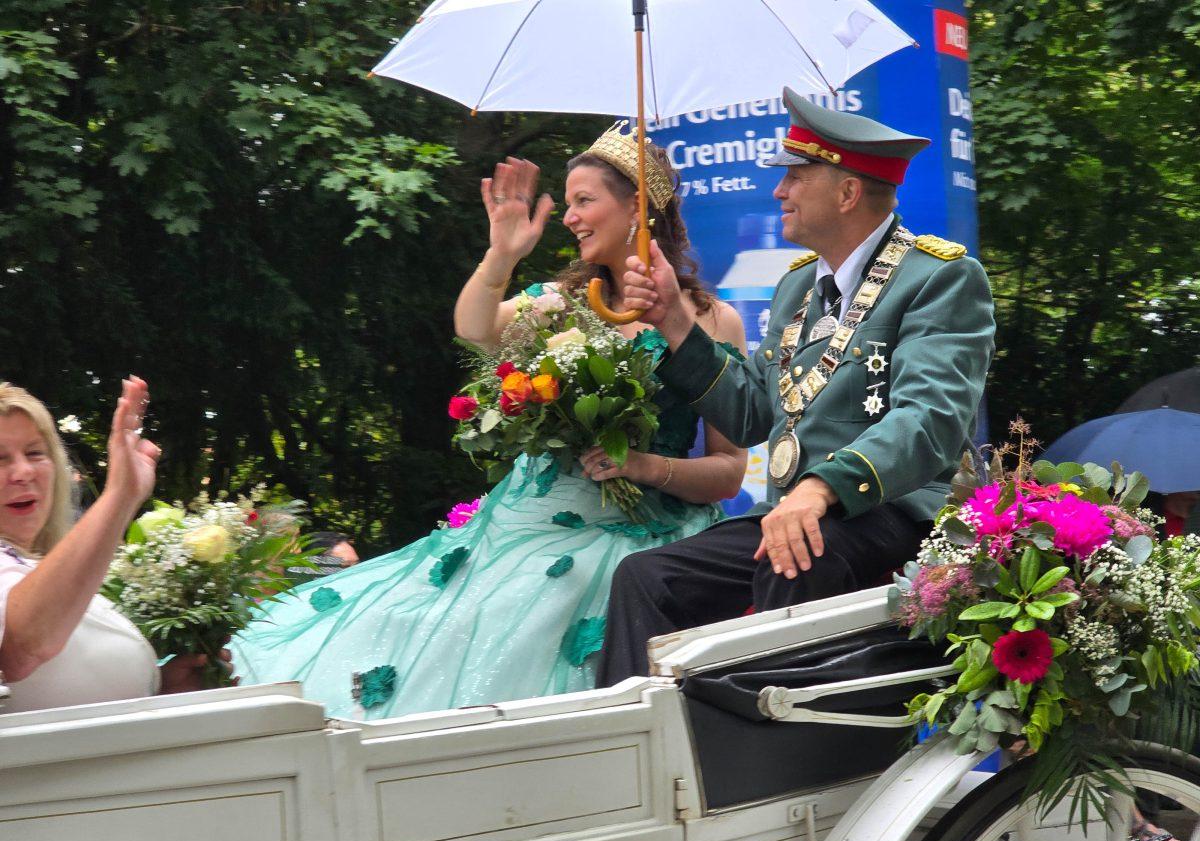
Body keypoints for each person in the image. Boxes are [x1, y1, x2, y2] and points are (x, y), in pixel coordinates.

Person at [230, 125, 748, 719]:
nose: (570, 218)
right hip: (532, 521)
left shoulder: (712, 321)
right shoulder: (558, 303)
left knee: (545, 600)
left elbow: (730, 470)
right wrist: (502, 253)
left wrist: (642, 466)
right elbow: (474, 328)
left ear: (637, 207)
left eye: (584, 201)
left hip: (645, 533)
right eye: (568, 203)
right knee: (421, 618)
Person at [597, 88, 996, 686]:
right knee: (646, 578)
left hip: (897, 511)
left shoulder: (939, 277)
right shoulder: (797, 287)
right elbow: (753, 414)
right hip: (801, 513)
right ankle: (642, 735)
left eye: (795, 177)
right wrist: (674, 320)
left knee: (799, 553)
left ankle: (775, 741)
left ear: (847, 192)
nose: (779, 192)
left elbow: (929, 421)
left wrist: (821, 487)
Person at [0, 379, 222, 712]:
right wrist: (120, 495)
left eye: (34, 453)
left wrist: (163, 690)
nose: (22, 472)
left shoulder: (46, 569)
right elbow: (21, 648)